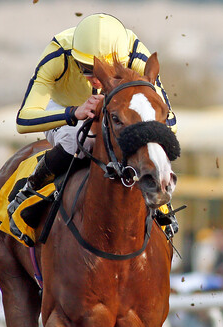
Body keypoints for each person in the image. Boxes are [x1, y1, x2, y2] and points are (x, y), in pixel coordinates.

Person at [10, 13, 177, 246]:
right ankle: (29, 189)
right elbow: (23, 120)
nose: (95, 78)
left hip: (117, 113)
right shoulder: (58, 52)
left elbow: (169, 120)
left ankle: (161, 201)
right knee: (79, 139)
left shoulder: (137, 55)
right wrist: (73, 113)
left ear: (120, 58)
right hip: (64, 107)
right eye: (85, 68)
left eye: (102, 69)